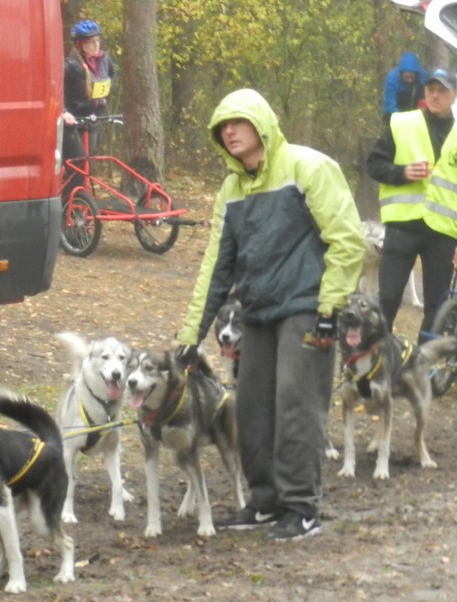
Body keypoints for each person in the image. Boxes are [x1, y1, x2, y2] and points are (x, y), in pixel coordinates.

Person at [175, 89, 364, 541]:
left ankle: (302, 508)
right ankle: (266, 502)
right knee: (253, 409)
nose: (230, 131)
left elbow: (347, 239)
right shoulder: (232, 188)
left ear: (261, 125)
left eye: (238, 122)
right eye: (223, 126)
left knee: (297, 405)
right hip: (257, 312)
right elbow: (216, 265)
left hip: (307, 308)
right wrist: (190, 335)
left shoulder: (307, 167)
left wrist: (330, 308)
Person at [367, 67, 457, 341]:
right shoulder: (402, 124)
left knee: (436, 306)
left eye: (442, 90)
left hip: (443, 232)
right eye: (431, 89)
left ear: (454, 95)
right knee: (390, 298)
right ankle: (376, 357)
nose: (435, 95)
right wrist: (402, 173)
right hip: (403, 226)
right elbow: (373, 165)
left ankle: (423, 366)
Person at [61, 19, 117, 196]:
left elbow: (112, 77)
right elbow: (55, 91)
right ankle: (70, 209)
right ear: (80, 44)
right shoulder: (69, 65)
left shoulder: (104, 60)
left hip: (93, 118)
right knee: (77, 165)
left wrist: (103, 97)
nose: (96, 45)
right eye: (91, 42)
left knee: (86, 165)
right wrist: (64, 112)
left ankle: (80, 207)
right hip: (73, 121)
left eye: (97, 40)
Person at [382, 51, 427, 125]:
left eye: (412, 77)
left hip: (415, 111)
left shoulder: (423, 77)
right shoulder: (392, 79)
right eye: (406, 77)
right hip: (394, 113)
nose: (409, 80)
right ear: (400, 74)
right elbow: (391, 105)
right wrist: (404, 121)